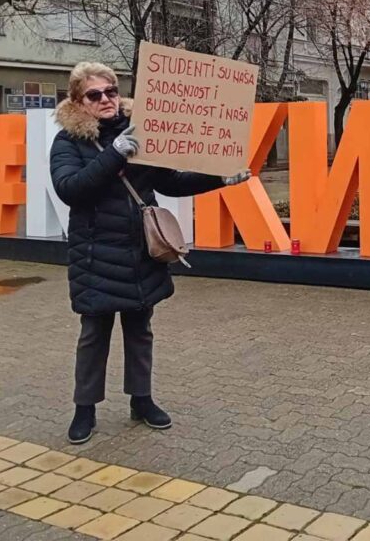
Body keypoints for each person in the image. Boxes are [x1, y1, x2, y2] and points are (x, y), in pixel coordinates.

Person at [50, 61, 250, 444]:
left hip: (140, 251)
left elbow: (169, 183)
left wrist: (220, 178)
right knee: (94, 334)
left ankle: (141, 401)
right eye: (95, 94)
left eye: (111, 91)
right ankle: (84, 409)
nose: (106, 99)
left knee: (140, 330)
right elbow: (71, 188)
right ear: (78, 101)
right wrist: (115, 153)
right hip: (95, 256)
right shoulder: (68, 142)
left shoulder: (141, 132)